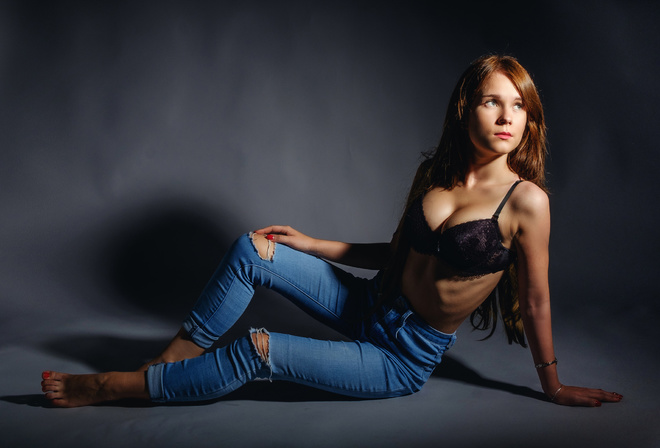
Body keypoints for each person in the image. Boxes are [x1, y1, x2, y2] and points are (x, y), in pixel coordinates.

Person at [41, 55, 622, 408]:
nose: (505, 117)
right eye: (492, 102)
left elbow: (536, 298)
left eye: (518, 106)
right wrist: (313, 244)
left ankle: (114, 389)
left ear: (529, 118)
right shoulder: (437, 176)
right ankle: (159, 370)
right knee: (254, 249)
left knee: (256, 349)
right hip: (371, 303)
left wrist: (553, 385)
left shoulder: (527, 201)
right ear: (465, 108)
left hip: (401, 354)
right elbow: (397, 254)